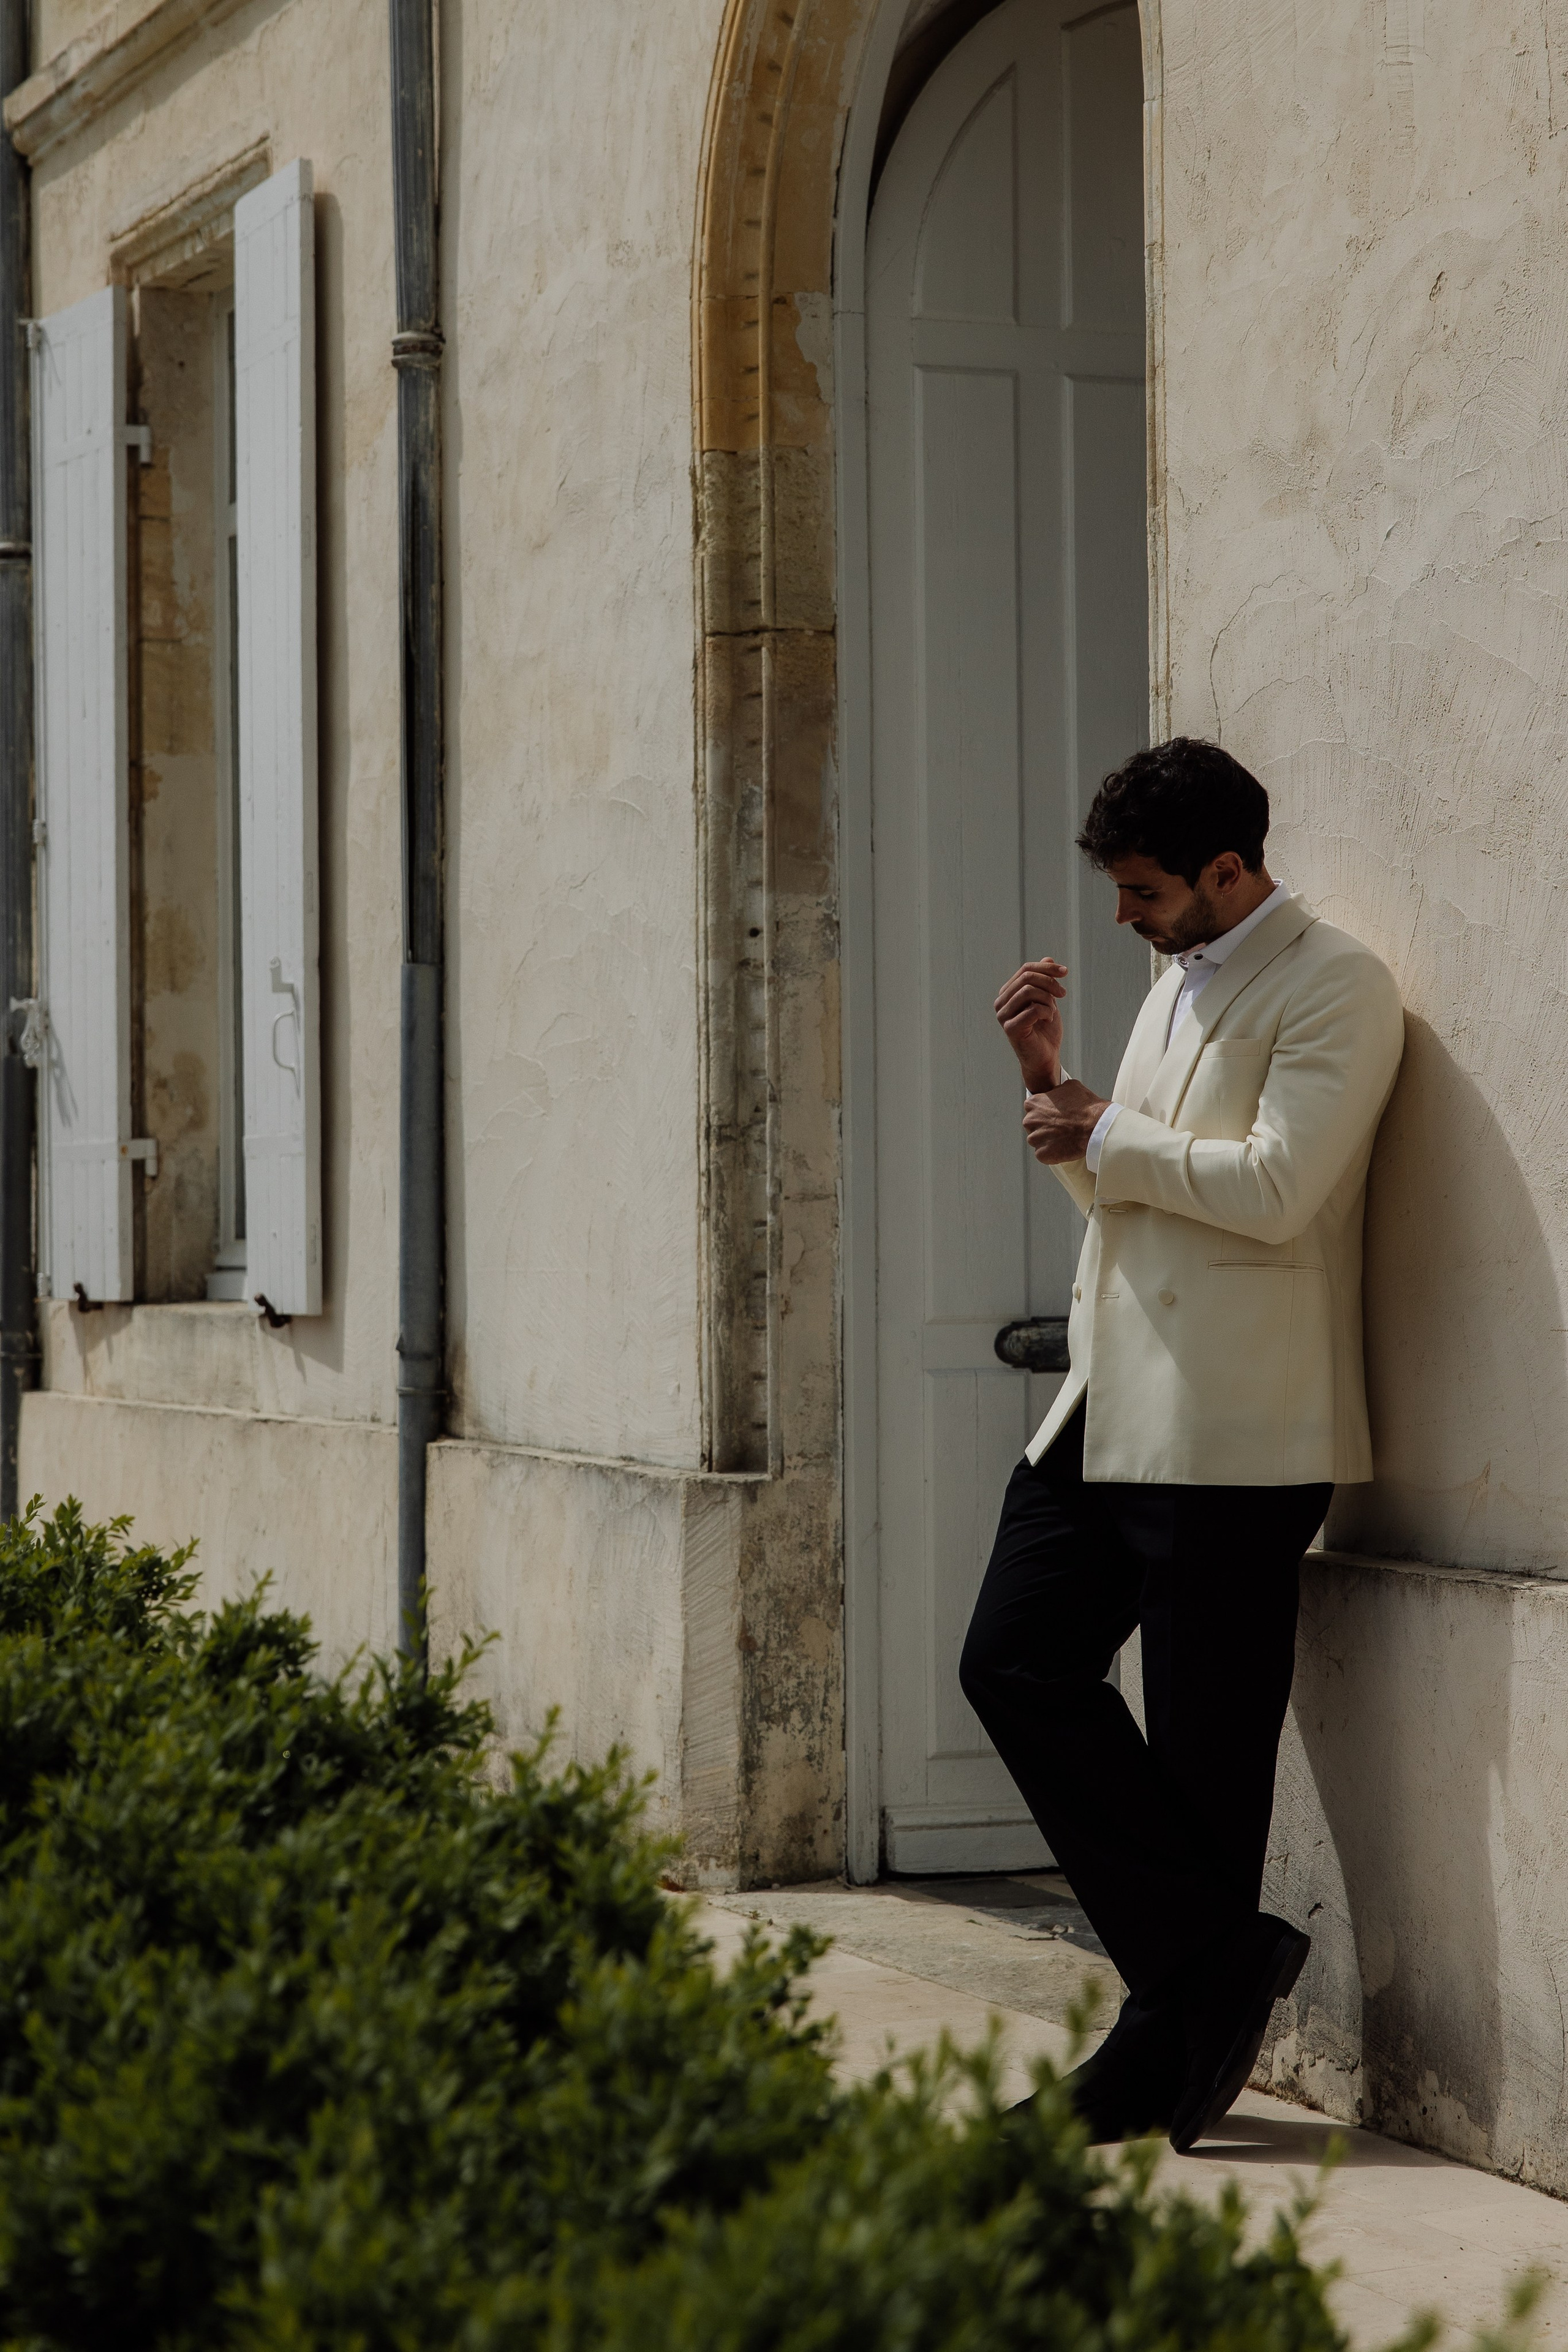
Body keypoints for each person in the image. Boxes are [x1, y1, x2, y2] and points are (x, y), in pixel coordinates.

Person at [961, 736, 1404, 2153]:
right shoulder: (1169, 985)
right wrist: (1066, 1114)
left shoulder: (1335, 984)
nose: (1121, 920)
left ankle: (1157, 2057)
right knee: (1011, 1659)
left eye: (1144, 892)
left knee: (1209, 1763)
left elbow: (1277, 1193)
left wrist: (1104, 1132)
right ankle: (1212, 1968)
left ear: (1228, 869)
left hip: (1236, 1431)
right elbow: (1148, 1209)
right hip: (1103, 1410)